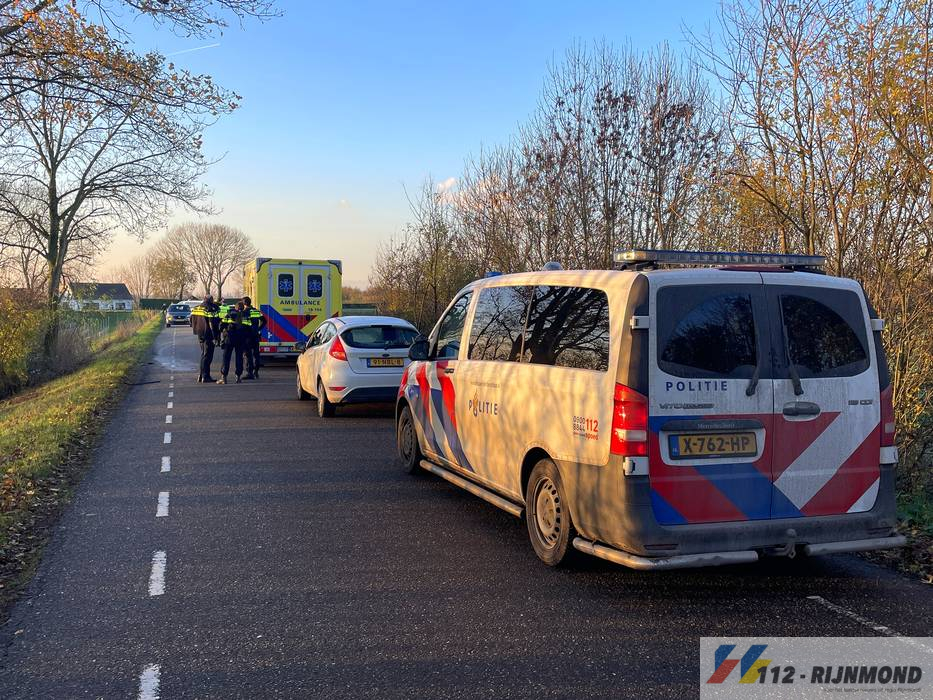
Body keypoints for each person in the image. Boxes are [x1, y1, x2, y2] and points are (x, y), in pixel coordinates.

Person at [190, 295, 220, 383]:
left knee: (203, 354)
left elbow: (191, 320)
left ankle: (201, 375)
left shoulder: (196, 308)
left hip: (199, 333)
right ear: (211, 300)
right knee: (208, 356)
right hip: (208, 334)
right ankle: (205, 376)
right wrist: (215, 336)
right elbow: (212, 323)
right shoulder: (209, 308)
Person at [217, 302, 248, 384]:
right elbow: (249, 328)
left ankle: (224, 377)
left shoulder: (230, 314)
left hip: (229, 339)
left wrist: (224, 332)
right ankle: (238, 377)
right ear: (243, 308)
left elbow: (221, 325)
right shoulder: (245, 316)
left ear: (235, 307)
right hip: (241, 339)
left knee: (226, 357)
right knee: (239, 357)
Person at [240, 295, 266, 379]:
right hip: (255, 335)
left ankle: (249, 372)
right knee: (256, 354)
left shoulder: (244, 312)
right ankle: (256, 372)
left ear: (244, 304)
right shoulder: (256, 311)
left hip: (247, 336)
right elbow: (264, 321)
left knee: (248, 355)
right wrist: (258, 329)